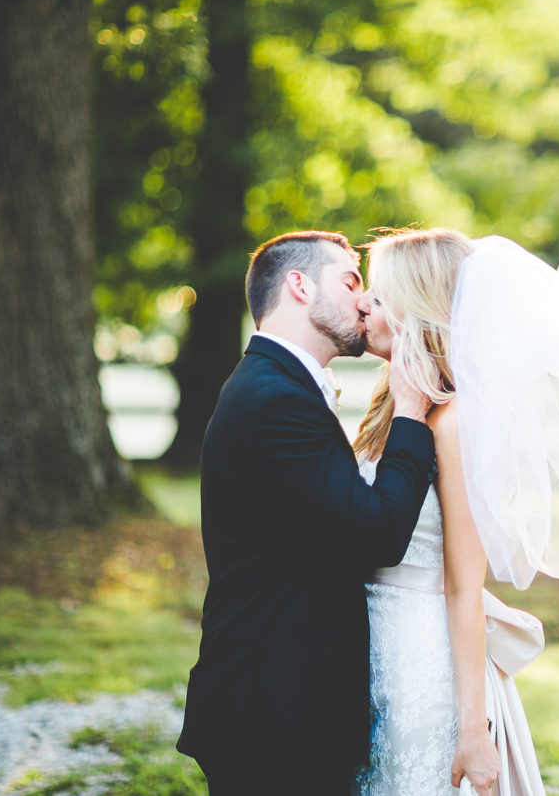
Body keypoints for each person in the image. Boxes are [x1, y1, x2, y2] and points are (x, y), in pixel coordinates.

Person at [176, 231, 438, 796]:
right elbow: (379, 534)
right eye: (350, 281)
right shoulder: (277, 399)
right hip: (274, 714)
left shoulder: (277, 384)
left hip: (281, 703)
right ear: (299, 285)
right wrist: (410, 414)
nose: (364, 300)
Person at [352, 228, 546, 796]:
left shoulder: (458, 422)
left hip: (423, 658)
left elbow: (464, 583)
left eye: (378, 296)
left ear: (416, 311)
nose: (362, 304)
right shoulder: (396, 405)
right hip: (374, 647)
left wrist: (472, 728)